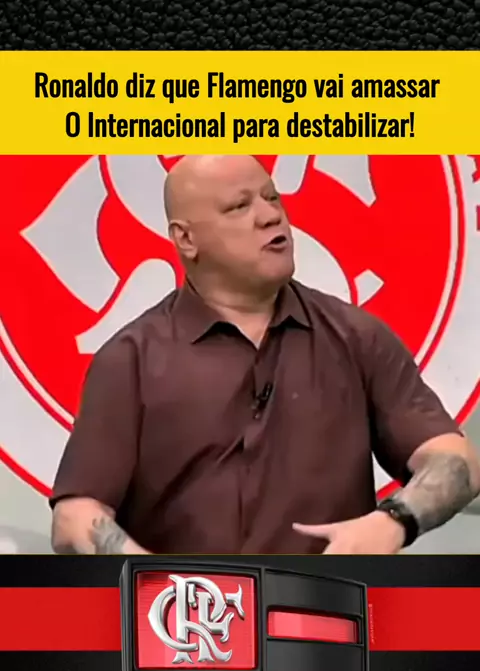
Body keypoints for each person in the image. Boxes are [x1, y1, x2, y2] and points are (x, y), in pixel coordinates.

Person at [50, 155, 480, 556]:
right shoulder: (131, 360)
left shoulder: (356, 338)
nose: (270, 215)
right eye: (239, 206)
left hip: (326, 603)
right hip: (186, 610)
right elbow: (75, 518)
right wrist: (154, 581)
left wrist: (393, 522)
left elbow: (458, 461)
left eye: (272, 198)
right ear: (186, 238)